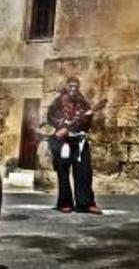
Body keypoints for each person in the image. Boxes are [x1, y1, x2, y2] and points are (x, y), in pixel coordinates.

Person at [47, 76, 104, 214]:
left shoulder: (83, 103)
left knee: (84, 173)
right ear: (66, 86)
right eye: (71, 85)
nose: (73, 88)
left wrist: (85, 119)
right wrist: (63, 125)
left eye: (75, 86)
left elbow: (88, 123)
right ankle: (65, 202)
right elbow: (50, 118)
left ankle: (86, 203)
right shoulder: (57, 103)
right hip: (63, 143)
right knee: (63, 173)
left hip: (79, 142)